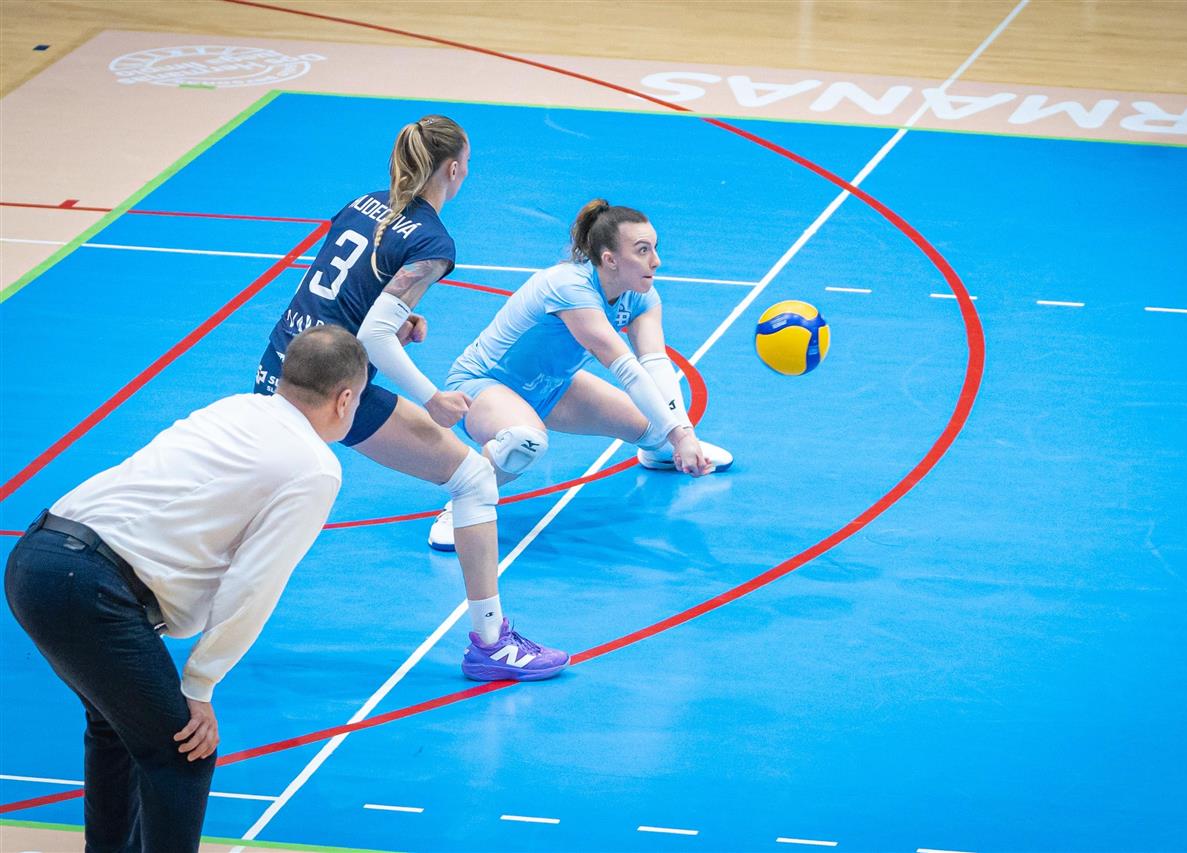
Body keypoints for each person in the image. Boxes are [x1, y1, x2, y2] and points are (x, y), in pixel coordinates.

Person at [4, 326, 365, 852]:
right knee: (184, 753)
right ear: (345, 398)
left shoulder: (236, 407)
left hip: (35, 560)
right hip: (88, 585)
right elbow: (254, 582)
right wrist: (200, 685)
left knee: (118, 729)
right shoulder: (315, 467)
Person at [254, 114, 566, 682]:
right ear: (454, 169)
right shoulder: (432, 241)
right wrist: (432, 397)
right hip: (331, 391)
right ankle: (491, 645)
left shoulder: (363, 203)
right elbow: (373, 333)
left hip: (282, 367)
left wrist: (395, 324)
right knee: (475, 480)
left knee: (249, 509)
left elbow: (340, 299)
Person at [428, 198, 733, 551]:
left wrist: (679, 435)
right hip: (482, 386)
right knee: (524, 441)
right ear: (610, 259)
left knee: (658, 428)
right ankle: (465, 505)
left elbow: (655, 365)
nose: (656, 261)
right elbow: (628, 371)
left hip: (550, 387)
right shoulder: (570, 287)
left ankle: (660, 453)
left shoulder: (640, 296)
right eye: (643, 250)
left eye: (655, 248)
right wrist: (682, 436)